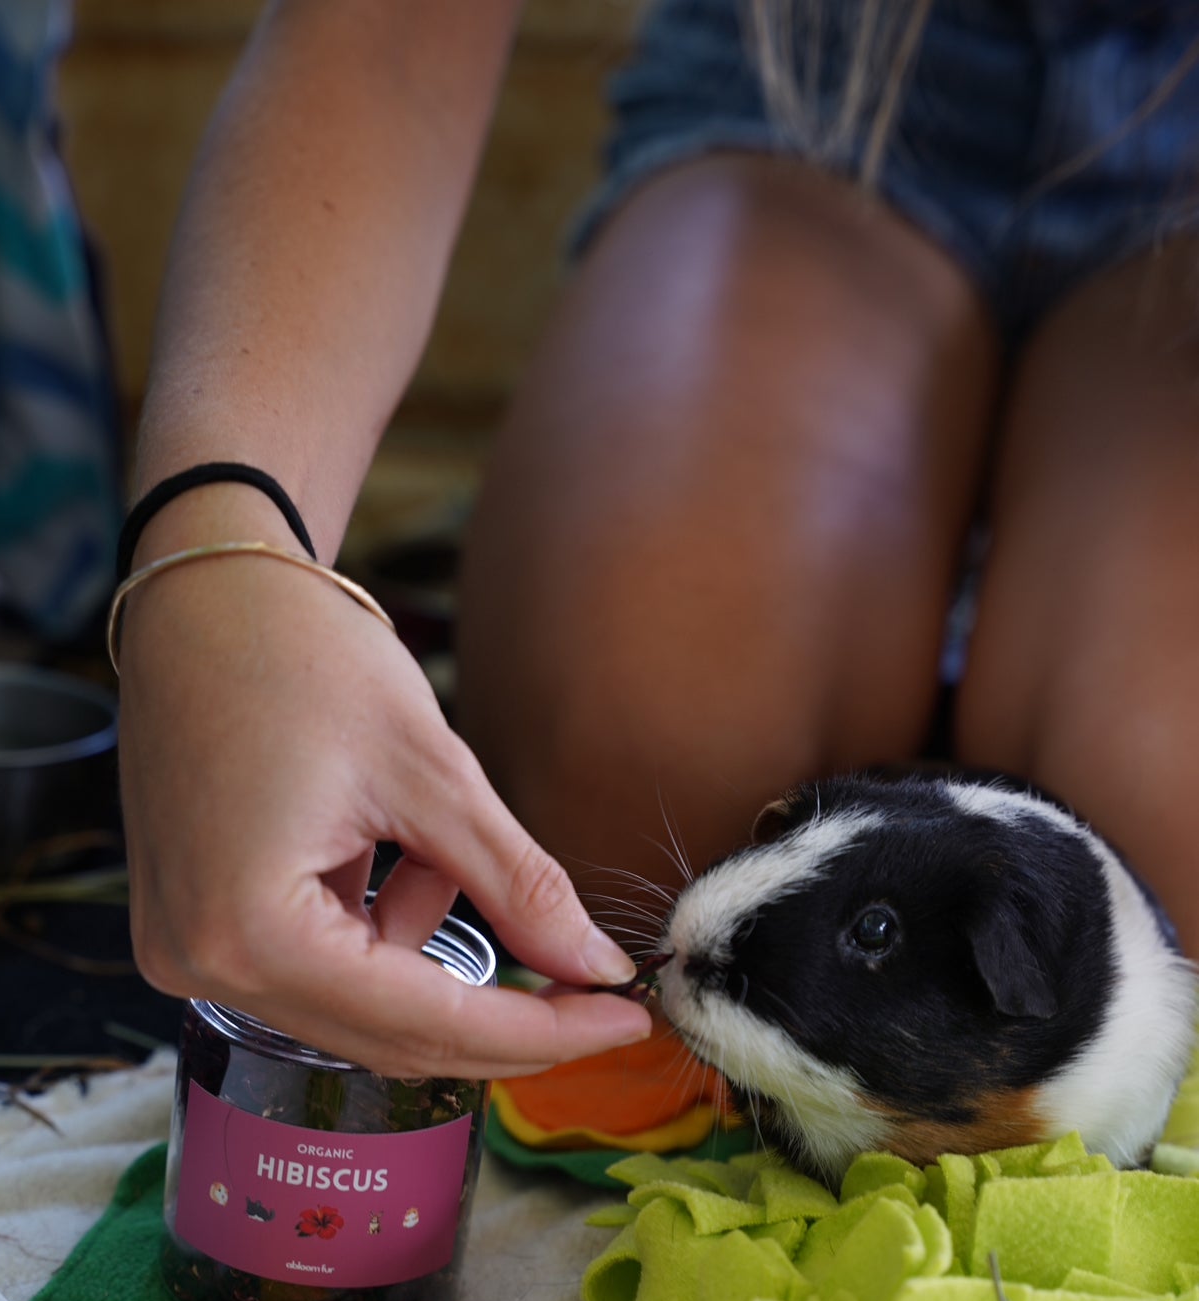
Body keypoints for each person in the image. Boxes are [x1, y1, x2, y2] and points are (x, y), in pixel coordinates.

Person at [116, 0, 1199, 1087]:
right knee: (643, 759)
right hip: (828, 91)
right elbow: (382, 39)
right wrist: (224, 557)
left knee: (1173, 846)